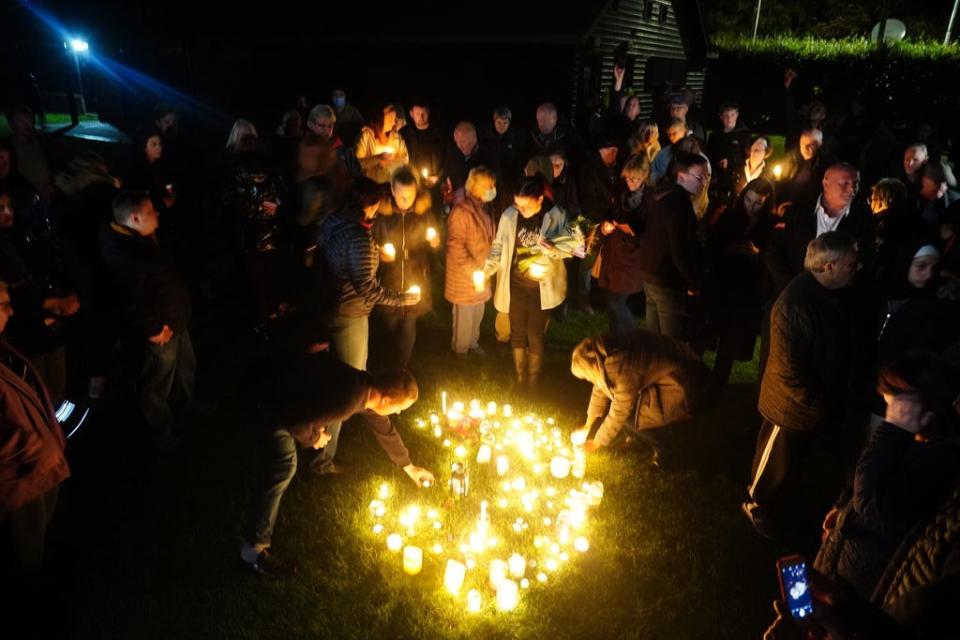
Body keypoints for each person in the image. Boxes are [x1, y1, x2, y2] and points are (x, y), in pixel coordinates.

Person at [240, 353, 434, 578]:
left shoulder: (366, 388)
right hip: (271, 403)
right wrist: (315, 438)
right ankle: (253, 551)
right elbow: (296, 421)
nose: (399, 413)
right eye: (400, 408)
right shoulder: (349, 399)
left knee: (285, 461)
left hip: (285, 391)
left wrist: (409, 467)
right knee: (284, 464)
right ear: (387, 400)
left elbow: (384, 428)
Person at [814, 352, 960, 601]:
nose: (888, 412)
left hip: (858, 598)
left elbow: (870, 497)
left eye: (895, 407)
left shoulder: (939, 459)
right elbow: (865, 472)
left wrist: (894, 427)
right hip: (838, 576)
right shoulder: (910, 442)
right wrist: (843, 508)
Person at [743, 232, 860, 542]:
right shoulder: (794, 306)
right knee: (774, 463)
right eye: (851, 264)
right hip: (789, 407)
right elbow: (788, 370)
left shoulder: (831, 295)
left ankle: (784, 505)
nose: (856, 269)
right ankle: (757, 506)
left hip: (812, 406)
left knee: (793, 464)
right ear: (829, 267)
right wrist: (818, 404)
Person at [313, 178, 419, 475]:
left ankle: (319, 444)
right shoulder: (359, 237)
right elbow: (367, 289)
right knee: (350, 386)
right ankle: (322, 458)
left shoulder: (334, 221)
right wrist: (401, 299)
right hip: (350, 314)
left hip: (330, 305)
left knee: (336, 378)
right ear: (370, 204)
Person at [99, 191, 195, 451]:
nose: (157, 214)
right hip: (161, 329)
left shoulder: (138, 238)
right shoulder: (124, 254)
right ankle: (162, 434)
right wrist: (153, 329)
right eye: (151, 211)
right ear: (134, 218)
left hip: (175, 319)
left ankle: (185, 412)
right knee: (157, 382)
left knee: (184, 369)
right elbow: (131, 299)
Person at [0, 279, 70, 588]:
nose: (11, 312)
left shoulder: (4, 347)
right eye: (3, 305)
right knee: (24, 553)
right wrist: (34, 447)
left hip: (35, 468)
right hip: (17, 480)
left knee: (38, 537)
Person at [570, 329, 711, 468]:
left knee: (632, 415)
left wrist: (596, 443)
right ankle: (634, 439)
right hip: (676, 372)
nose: (588, 379)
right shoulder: (605, 352)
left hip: (684, 385)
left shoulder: (622, 364)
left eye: (586, 376)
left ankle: (664, 451)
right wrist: (588, 424)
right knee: (624, 405)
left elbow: (620, 410)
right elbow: (600, 387)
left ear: (592, 367)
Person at [483, 175, 570, 386]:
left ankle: (532, 382)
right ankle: (520, 378)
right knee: (517, 332)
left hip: (542, 287)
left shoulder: (556, 215)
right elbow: (498, 246)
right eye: (517, 205)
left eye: (526, 206)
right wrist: (487, 269)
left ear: (540, 199)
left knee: (535, 334)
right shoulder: (510, 216)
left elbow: (571, 247)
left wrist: (555, 248)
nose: (521, 210)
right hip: (516, 285)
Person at [704, 178, 777, 390]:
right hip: (723, 284)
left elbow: (772, 255)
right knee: (709, 332)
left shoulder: (770, 224)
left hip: (748, 290)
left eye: (757, 203)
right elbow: (714, 245)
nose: (751, 207)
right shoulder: (730, 216)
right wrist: (728, 250)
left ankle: (718, 383)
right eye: (748, 200)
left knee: (731, 340)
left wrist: (757, 254)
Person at [764, 162, 873, 294]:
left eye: (855, 183)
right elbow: (774, 250)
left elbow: (865, 257)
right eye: (844, 184)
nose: (852, 189)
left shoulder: (862, 217)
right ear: (826, 184)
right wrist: (790, 287)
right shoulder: (799, 210)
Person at [372, 167, 440, 368]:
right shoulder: (381, 214)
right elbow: (371, 240)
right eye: (401, 195)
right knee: (389, 321)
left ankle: (403, 366)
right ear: (392, 190)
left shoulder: (422, 214)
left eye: (409, 195)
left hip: (415, 273)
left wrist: (434, 242)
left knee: (410, 320)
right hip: (389, 276)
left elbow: (431, 240)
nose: (405, 200)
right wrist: (379, 252)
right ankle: (386, 364)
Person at [636, 152, 705, 339]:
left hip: (650, 275)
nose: (703, 182)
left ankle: (651, 367)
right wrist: (693, 282)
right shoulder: (679, 204)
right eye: (699, 177)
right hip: (668, 281)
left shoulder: (661, 195)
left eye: (706, 177)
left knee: (654, 339)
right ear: (681, 176)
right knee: (670, 343)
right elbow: (680, 249)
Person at [445, 167, 496, 356]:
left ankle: (473, 343)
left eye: (492, 185)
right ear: (474, 186)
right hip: (465, 275)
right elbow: (455, 247)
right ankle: (460, 350)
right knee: (464, 315)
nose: (491, 189)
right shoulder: (461, 212)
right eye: (487, 185)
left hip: (481, 272)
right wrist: (474, 270)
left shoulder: (484, 207)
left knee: (478, 311)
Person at [595, 154, 649, 334]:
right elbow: (608, 214)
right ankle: (616, 338)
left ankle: (630, 337)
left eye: (634, 179)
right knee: (611, 301)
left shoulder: (649, 200)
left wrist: (633, 233)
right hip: (614, 254)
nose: (630, 182)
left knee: (616, 302)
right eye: (627, 178)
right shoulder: (619, 193)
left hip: (631, 259)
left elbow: (649, 232)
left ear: (644, 177)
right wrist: (605, 225)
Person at [577, 138, 621, 313]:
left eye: (612, 149)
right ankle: (583, 297)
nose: (609, 153)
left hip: (617, 221)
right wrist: (601, 220)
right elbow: (587, 200)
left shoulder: (621, 167)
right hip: (596, 222)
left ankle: (609, 297)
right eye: (605, 150)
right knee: (588, 259)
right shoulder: (590, 171)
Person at [706, 101, 751, 204]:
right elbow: (709, 155)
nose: (729, 119)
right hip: (717, 181)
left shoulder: (744, 135)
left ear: (737, 115)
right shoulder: (714, 136)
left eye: (732, 115)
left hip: (737, 181)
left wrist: (730, 161)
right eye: (726, 116)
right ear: (721, 116)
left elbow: (748, 158)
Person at [355, 104, 409, 184]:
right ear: (379, 121)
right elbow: (356, 163)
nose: (394, 123)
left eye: (394, 120)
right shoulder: (366, 136)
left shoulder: (396, 137)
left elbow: (405, 159)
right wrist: (378, 158)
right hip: (371, 185)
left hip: (392, 184)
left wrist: (389, 162)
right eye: (390, 120)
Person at [775, 128, 831, 205]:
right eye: (803, 143)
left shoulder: (826, 165)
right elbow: (781, 185)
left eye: (811, 145)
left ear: (820, 144)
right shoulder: (790, 159)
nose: (806, 148)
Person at [305, 103, 362, 178]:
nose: (327, 130)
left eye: (330, 126)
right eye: (322, 125)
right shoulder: (303, 151)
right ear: (310, 125)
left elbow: (358, 179)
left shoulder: (346, 153)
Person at [483, 106, 524, 198]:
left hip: (509, 184)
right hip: (491, 182)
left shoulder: (515, 138)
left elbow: (518, 161)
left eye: (505, 123)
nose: (502, 126)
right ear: (494, 122)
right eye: (499, 122)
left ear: (509, 123)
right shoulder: (486, 138)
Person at [728, 136, 773, 205]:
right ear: (750, 149)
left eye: (761, 147)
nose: (756, 150)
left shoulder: (769, 174)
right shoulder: (738, 167)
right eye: (756, 145)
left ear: (766, 152)